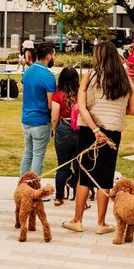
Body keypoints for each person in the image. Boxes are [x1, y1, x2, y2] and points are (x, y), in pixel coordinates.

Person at [64, 42, 134, 233]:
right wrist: (115, 113)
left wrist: (96, 130)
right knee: (105, 178)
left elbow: (82, 106)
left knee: (84, 177)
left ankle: (77, 220)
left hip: (90, 131)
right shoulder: (126, 79)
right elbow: (133, 110)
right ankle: (101, 223)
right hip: (113, 132)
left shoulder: (91, 76)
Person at [20, 44, 57, 177]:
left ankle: (22, 185)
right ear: (48, 56)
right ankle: (34, 188)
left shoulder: (28, 71)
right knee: (37, 156)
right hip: (40, 121)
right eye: (53, 55)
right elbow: (50, 104)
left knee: (28, 153)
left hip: (26, 118)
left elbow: (25, 90)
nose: (54, 58)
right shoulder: (48, 77)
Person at [50, 66, 81, 207]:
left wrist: (54, 130)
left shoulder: (58, 95)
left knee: (62, 166)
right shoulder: (81, 93)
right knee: (79, 166)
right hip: (80, 130)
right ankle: (81, 197)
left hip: (64, 129)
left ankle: (59, 197)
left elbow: (55, 117)